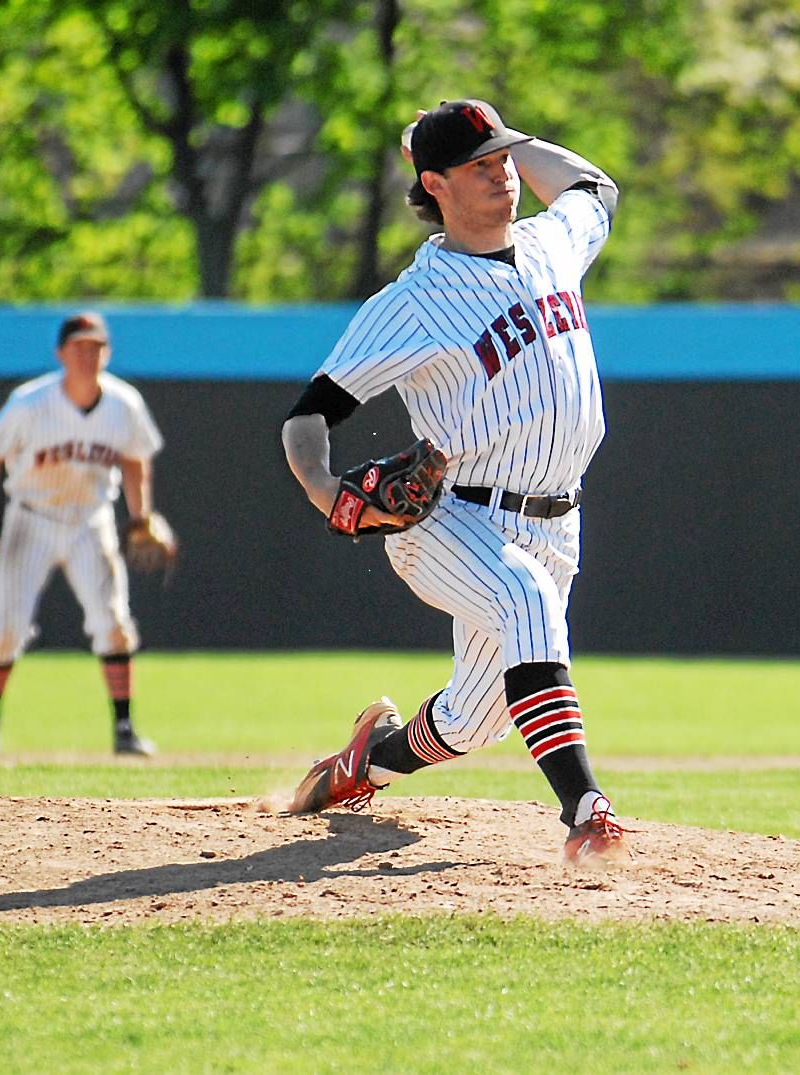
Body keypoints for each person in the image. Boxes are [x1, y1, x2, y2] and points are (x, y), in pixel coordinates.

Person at [281, 99, 630, 866]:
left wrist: (509, 134)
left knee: (475, 721)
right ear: (434, 185)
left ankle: (358, 765)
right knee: (525, 601)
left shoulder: (551, 245)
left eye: (504, 159)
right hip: (448, 520)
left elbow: (594, 188)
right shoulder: (412, 303)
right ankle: (585, 806)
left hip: (554, 521)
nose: (503, 175)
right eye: (481, 165)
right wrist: (324, 488)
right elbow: (308, 417)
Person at [0, 311, 163, 757]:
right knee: (6, 630)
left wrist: (141, 515)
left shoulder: (123, 403)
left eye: (95, 347)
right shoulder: (28, 403)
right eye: (78, 347)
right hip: (30, 518)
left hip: (90, 520)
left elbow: (135, 460)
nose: (87, 355)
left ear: (106, 352)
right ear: (60, 353)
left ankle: (125, 729)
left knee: (113, 623)